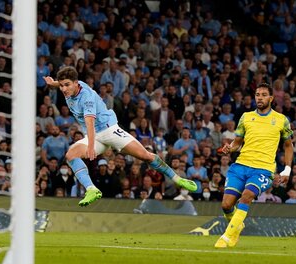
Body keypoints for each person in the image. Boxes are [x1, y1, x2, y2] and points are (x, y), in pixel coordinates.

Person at [44, 66, 197, 206]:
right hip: (95, 136)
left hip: (109, 131)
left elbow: (90, 123)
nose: (64, 89)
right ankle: (91, 189)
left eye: (66, 85)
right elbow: (64, 84)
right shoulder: (72, 87)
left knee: (146, 156)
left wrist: (90, 147)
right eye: (62, 85)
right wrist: (54, 84)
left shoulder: (87, 98)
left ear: (76, 83)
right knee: (71, 155)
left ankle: (178, 178)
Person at [215, 83, 293, 248]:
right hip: (240, 166)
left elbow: (288, 146)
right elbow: (237, 143)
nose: (260, 97)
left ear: (271, 98)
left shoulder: (281, 120)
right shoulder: (246, 117)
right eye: (257, 94)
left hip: (263, 169)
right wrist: (230, 148)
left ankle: (227, 236)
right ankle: (237, 226)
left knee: (247, 196)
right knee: (226, 205)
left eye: (264, 94)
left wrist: (287, 170)